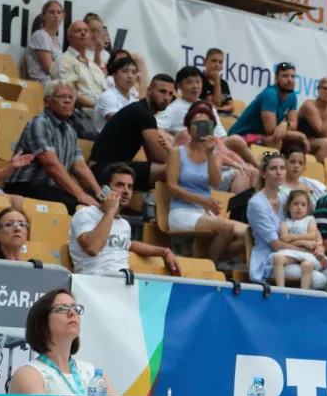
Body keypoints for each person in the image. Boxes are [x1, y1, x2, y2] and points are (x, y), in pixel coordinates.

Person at [165, 103, 248, 262]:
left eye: (206, 124)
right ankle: (211, 268)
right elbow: (171, 186)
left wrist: (210, 154)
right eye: (197, 124)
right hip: (181, 211)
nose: (202, 127)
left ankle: (207, 262)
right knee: (227, 228)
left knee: (250, 234)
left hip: (204, 213)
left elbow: (215, 182)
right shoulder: (178, 152)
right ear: (188, 129)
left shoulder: (215, 155)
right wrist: (201, 200)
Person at [3, 82, 102, 213]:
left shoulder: (70, 131)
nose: (67, 101)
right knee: (79, 207)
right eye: (61, 96)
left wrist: (100, 194)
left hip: (51, 189)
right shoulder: (40, 123)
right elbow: (51, 165)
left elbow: (80, 167)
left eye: (71, 98)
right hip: (25, 185)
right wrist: (80, 194)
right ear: (47, 101)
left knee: (93, 207)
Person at [69, 164, 178, 275]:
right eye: (120, 185)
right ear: (104, 190)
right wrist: (110, 212)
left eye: (130, 187)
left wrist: (164, 252)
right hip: (93, 281)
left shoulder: (124, 224)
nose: (126, 191)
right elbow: (92, 248)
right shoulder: (85, 214)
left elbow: (129, 244)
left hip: (123, 282)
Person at [247, 154, 327, 290]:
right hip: (271, 260)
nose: (279, 172)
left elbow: (309, 222)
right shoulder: (256, 204)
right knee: (320, 280)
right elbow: (275, 245)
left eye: (282, 168)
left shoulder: (286, 197)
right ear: (263, 173)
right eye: (273, 168)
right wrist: (305, 251)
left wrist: (319, 245)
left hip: (297, 254)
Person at [8, 289, 117, 396]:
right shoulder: (28, 375)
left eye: (75, 308)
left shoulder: (93, 372)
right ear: (42, 323)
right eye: (62, 308)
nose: (72, 312)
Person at [157, 66, 259, 173]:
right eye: (189, 82)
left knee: (236, 140)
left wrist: (218, 147)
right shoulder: (174, 107)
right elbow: (157, 126)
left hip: (212, 145)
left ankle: (259, 169)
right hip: (189, 147)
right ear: (179, 86)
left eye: (198, 82)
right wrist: (172, 139)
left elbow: (222, 137)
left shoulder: (208, 107)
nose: (195, 86)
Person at [89, 74, 175, 193]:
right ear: (149, 90)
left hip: (111, 168)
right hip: (103, 170)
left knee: (174, 169)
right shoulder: (142, 114)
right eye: (162, 91)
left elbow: (154, 158)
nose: (166, 97)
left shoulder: (142, 112)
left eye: (170, 94)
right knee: (173, 170)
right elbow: (162, 157)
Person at [229, 62, 308, 150]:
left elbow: (293, 125)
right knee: (276, 140)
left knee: (296, 145)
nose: (289, 80)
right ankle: (269, 163)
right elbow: (271, 131)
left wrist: (285, 123)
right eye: (285, 76)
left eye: (292, 76)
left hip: (260, 137)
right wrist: (301, 136)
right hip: (239, 137)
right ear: (276, 79)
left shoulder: (292, 96)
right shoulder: (270, 94)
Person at [272, 190, 324, 289]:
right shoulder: (285, 223)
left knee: (307, 265)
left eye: (303, 205)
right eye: (295, 204)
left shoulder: (310, 220)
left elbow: (312, 235)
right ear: (288, 207)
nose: (299, 207)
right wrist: (303, 242)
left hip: (306, 253)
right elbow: (283, 239)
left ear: (308, 208)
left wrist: (292, 237)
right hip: (291, 252)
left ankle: (304, 293)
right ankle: (280, 290)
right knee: (277, 258)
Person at [51, 20, 107, 111]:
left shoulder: (93, 66)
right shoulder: (64, 60)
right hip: (81, 113)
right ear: (69, 37)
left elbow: (105, 91)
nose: (83, 33)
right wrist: (96, 107)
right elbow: (70, 93)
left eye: (86, 31)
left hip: (101, 111)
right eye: (78, 31)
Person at [297, 77, 327, 162]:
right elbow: (323, 133)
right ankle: (316, 172)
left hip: (318, 142)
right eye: (325, 88)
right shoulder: (309, 105)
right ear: (318, 89)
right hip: (301, 141)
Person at [93, 56, 139, 132]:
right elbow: (118, 121)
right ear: (114, 75)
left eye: (134, 72)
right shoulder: (107, 96)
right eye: (125, 71)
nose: (130, 76)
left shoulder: (135, 102)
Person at [24, 0, 65, 85]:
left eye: (59, 12)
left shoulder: (57, 40)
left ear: (63, 17)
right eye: (51, 12)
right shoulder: (40, 35)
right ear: (43, 16)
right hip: (42, 83)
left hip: (55, 82)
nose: (56, 15)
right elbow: (49, 68)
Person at [199, 48, 234, 114]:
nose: (217, 64)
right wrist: (217, 79)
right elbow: (217, 103)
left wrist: (219, 109)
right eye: (214, 61)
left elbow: (231, 106)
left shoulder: (224, 83)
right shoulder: (199, 80)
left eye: (220, 62)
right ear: (205, 62)